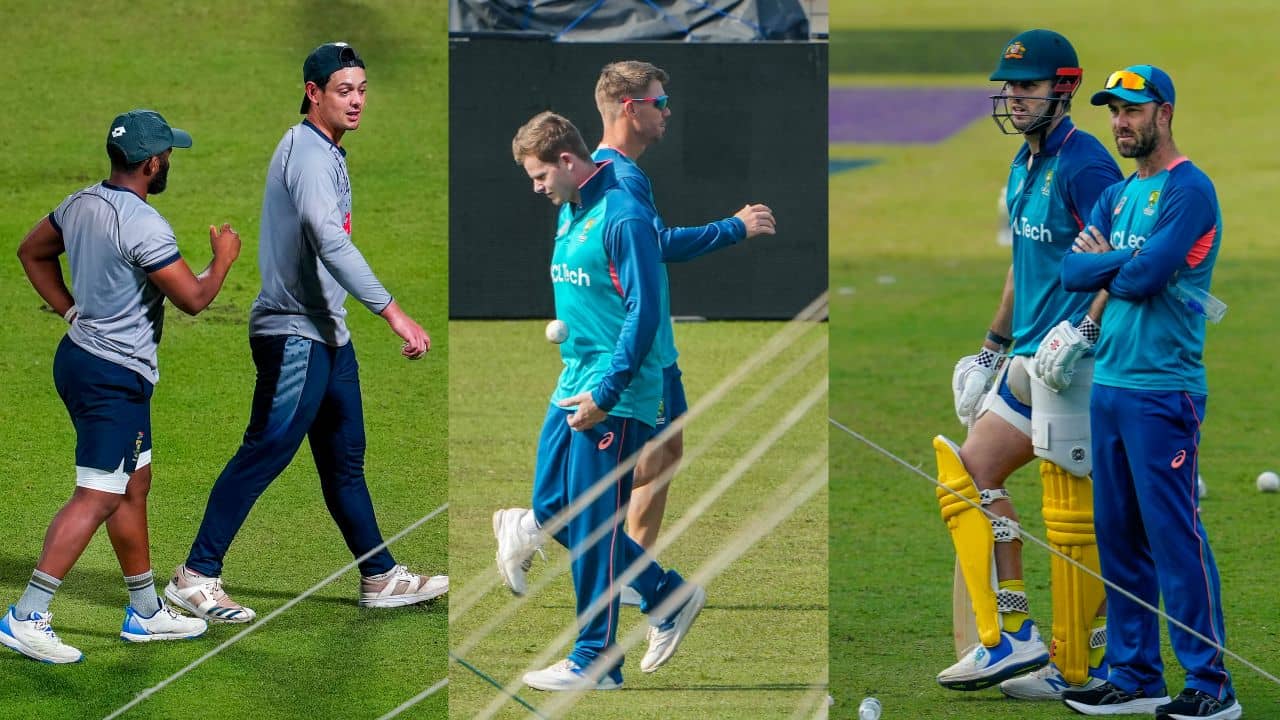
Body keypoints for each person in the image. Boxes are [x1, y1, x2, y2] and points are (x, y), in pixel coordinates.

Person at [164, 42, 447, 623]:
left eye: (362, 90)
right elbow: (328, 238)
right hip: (294, 333)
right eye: (344, 91)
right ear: (313, 93)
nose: (357, 101)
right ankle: (195, 575)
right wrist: (392, 312)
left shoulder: (328, 151)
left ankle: (380, 576)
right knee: (266, 449)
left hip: (329, 335)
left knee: (344, 462)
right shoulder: (309, 154)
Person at [2, 109, 241, 663]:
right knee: (99, 493)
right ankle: (26, 615)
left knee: (133, 482)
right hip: (111, 376)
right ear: (152, 163)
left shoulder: (80, 202)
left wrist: (71, 312)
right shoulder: (144, 225)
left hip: (88, 361)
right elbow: (193, 298)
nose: (170, 162)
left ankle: (145, 611)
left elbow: (31, 251)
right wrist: (222, 260)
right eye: (168, 155)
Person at [932, 29, 1123, 697]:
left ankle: (1089, 664)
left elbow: (1122, 257)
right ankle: (1013, 635)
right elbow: (1023, 265)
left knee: (1080, 520)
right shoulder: (1024, 162)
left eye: (1028, 86)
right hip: (1026, 360)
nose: (1014, 97)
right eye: (1009, 86)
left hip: (1075, 369)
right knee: (968, 474)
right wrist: (989, 350)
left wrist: (1085, 331)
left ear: (1063, 89)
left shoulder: (1085, 164)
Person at [493, 111, 706, 692]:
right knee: (551, 508)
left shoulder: (623, 214)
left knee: (591, 522)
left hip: (616, 394)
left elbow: (644, 311)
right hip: (572, 380)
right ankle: (665, 594)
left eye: (540, 176)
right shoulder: (571, 207)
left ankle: (596, 659)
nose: (537, 189)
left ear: (567, 160)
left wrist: (609, 394)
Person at [1058, 65, 1240, 720]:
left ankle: (1212, 688)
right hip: (1109, 384)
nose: (1120, 122)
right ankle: (1135, 677)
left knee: (1173, 536)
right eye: (1113, 111)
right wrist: (1122, 262)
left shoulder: (1191, 190)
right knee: (1118, 535)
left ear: (1164, 113)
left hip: (1164, 389)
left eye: (1132, 110)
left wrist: (1111, 262)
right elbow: (1071, 270)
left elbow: (1145, 278)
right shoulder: (1119, 194)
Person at [590, 62, 775, 602]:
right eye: (660, 103)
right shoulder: (619, 177)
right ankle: (542, 518)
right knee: (643, 461)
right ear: (631, 109)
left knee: (665, 457)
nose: (668, 112)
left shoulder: (619, 171)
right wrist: (734, 227)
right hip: (642, 348)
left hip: (658, 349)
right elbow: (659, 245)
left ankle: (630, 573)